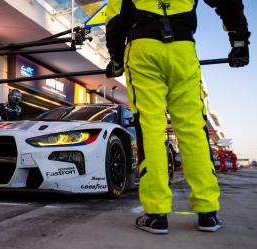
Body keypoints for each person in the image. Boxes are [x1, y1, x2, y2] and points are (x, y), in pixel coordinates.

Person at [105, 0, 249, 234]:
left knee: (150, 128)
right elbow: (229, 3)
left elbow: (115, 17)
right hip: (182, 48)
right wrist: (239, 41)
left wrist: (117, 57)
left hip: (142, 48)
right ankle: (208, 213)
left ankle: (156, 215)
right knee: (193, 130)